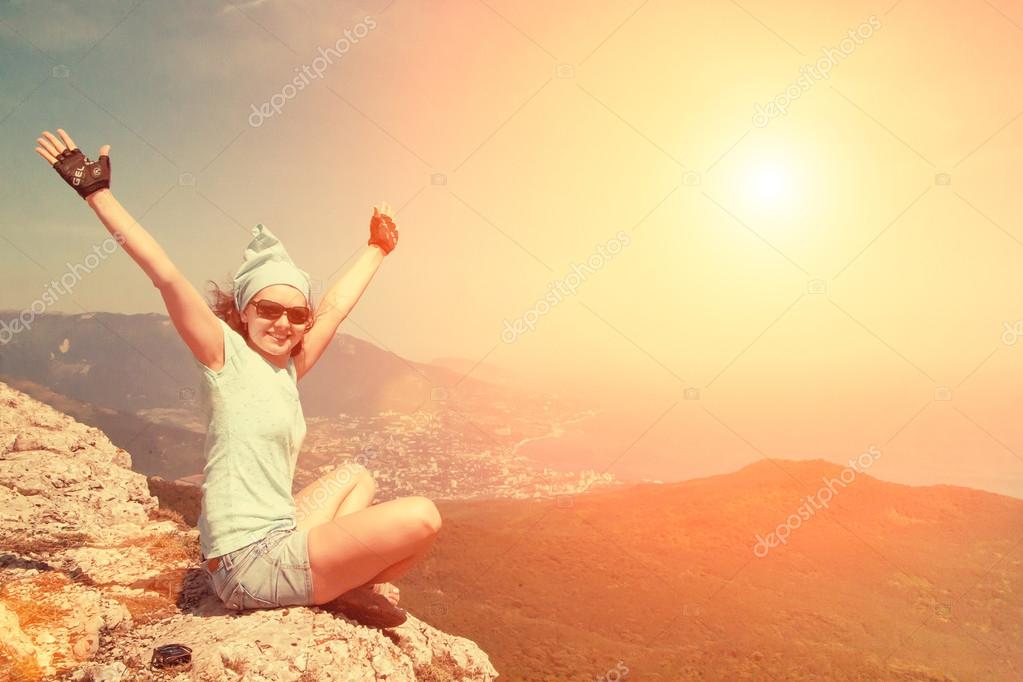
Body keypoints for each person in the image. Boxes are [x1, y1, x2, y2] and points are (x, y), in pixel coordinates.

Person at [35, 128, 442, 628]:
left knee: (357, 476)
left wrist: (377, 248)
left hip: (279, 535)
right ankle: (330, 588)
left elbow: (334, 308)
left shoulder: (287, 367)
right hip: (246, 564)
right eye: (269, 309)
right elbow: (164, 273)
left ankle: (335, 585)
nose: (284, 323)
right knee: (423, 516)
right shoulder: (223, 354)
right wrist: (97, 194)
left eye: (297, 315)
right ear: (243, 311)